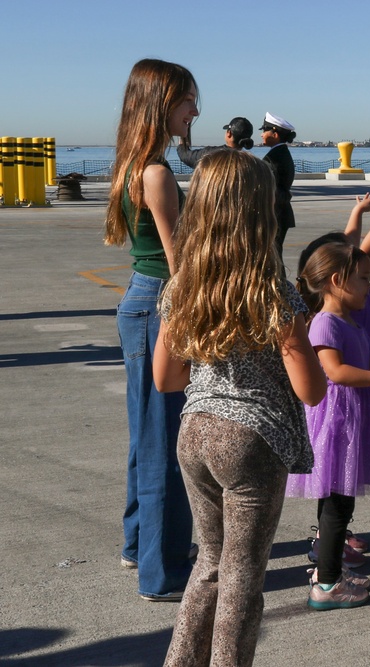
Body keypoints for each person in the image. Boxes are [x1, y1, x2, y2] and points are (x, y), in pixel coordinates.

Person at [153, 150, 326, 663]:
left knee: (208, 563)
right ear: (260, 211)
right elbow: (310, 389)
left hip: (195, 431)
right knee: (242, 580)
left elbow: (166, 377)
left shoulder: (182, 286)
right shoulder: (273, 292)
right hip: (250, 439)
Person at [104, 58, 199, 602]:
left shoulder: (135, 163)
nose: (195, 109)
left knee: (146, 433)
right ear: (162, 103)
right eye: (187, 100)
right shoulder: (156, 172)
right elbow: (177, 259)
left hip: (141, 298)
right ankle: (162, 572)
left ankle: (140, 543)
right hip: (162, 301)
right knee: (166, 438)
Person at [288, 242, 370, 610]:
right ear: (337, 280)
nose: (369, 287)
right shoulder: (325, 322)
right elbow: (336, 372)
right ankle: (326, 584)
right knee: (337, 505)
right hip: (337, 423)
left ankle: (331, 572)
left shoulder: (352, 321)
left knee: (339, 502)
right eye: (364, 279)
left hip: (351, 419)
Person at [260, 112, 297, 260]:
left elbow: (271, 189)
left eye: (264, 130)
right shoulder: (280, 153)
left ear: (275, 134)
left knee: (272, 257)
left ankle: (278, 283)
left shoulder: (274, 158)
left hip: (275, 213)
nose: (262, 135)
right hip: (280, 212)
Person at [177, 116, 254, 168]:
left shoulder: (212, 154)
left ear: (229, 133)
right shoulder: (251, 163)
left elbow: (185, 156)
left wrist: (182, 142)